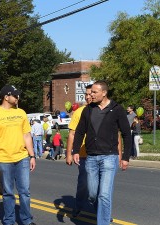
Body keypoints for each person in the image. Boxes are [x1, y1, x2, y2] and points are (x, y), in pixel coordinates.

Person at [72, 80, 132, 225]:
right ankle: (102, 212)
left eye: (94, 92)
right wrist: (75, 151)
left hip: (109, 157)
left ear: (104, 93)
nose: (90, 95)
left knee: (104, 194)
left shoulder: (117, 109)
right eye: (90, 92)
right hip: (91, 157)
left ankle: (103, 221)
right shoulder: (88, 110)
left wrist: (125, 157)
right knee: (92, 194)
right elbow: (80, 131)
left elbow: (126, 134)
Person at [0, 84, 36, 225]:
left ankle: (26, 220)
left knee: (25, 192)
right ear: (6, 97)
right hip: (3, 159)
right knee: (8, 193)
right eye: (15, 95)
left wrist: (32, 156)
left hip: (22, 158)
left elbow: (26, 135)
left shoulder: (21, 113)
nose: (17, 97)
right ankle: (9, 221)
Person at [66, 84, 92, 217]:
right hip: (83, 154)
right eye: (86, 95)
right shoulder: (79, 112)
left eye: (90, 94)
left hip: (101, 154)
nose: (88, 97)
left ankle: (102, 211)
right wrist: (69, 154)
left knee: (101, 187)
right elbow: (72, 134)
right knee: (84, 183)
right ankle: (79, 205)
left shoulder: (105, 110)